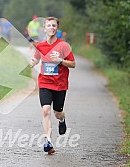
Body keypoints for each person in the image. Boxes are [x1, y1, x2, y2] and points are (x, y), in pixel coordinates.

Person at [29, 17, 75, 154]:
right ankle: (48, 141)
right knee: (45, 110)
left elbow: (73, 64)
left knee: (57, 112)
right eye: (49, 25)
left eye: (54, 25)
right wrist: (32, 62)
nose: (51, 28)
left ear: (57, 28)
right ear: (44, 29)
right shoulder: (41, 46)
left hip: (60, 84)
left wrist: (60, 61)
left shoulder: (64, 46)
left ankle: (62, 120)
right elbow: (36, 58)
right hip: (45, 82)